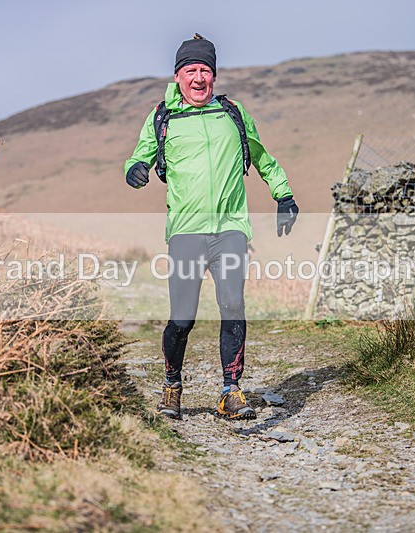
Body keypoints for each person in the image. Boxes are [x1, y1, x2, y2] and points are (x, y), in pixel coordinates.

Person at [124, 34, 299, 420]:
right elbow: (139, 157)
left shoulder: (233, 114)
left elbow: (263, 158)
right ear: (178, 77)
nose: (199, 78)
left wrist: (283, 196)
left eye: (205, 70)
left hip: (230, 229)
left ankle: (230, 391)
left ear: (214, 76)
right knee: (182, 318)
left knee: (232, 306)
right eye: (191, 70)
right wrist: (135, 170)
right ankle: (172, 387)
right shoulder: (163, 119)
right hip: (186, 231)